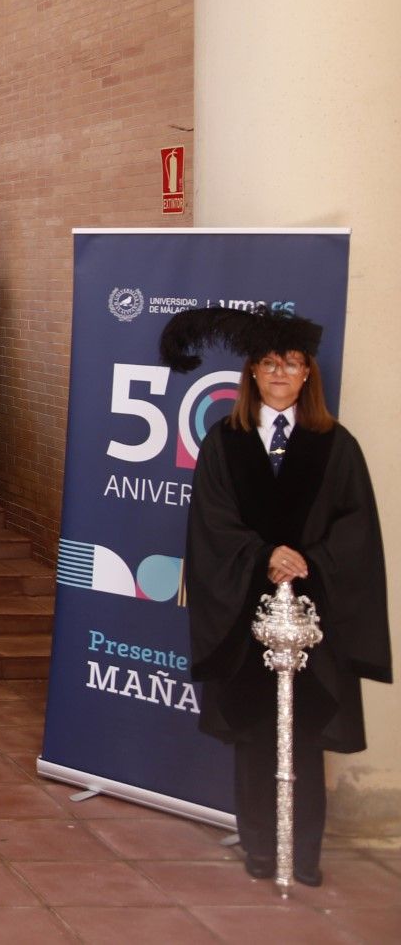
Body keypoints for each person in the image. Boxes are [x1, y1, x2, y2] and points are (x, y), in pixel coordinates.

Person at [164, 308, 389, 887]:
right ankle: (261, 847)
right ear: (253, 374)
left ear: (308, 373)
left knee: (307, 735)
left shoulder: (336, 445)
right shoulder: (225, 441)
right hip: (247, 615)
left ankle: (304, 851)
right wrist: (265, 555)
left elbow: (356, 526)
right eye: (269, 364)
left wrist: (307, 560)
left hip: (315, 617)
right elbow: (211, 523)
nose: (280, 373)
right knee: (255, 734)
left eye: (291, 364)